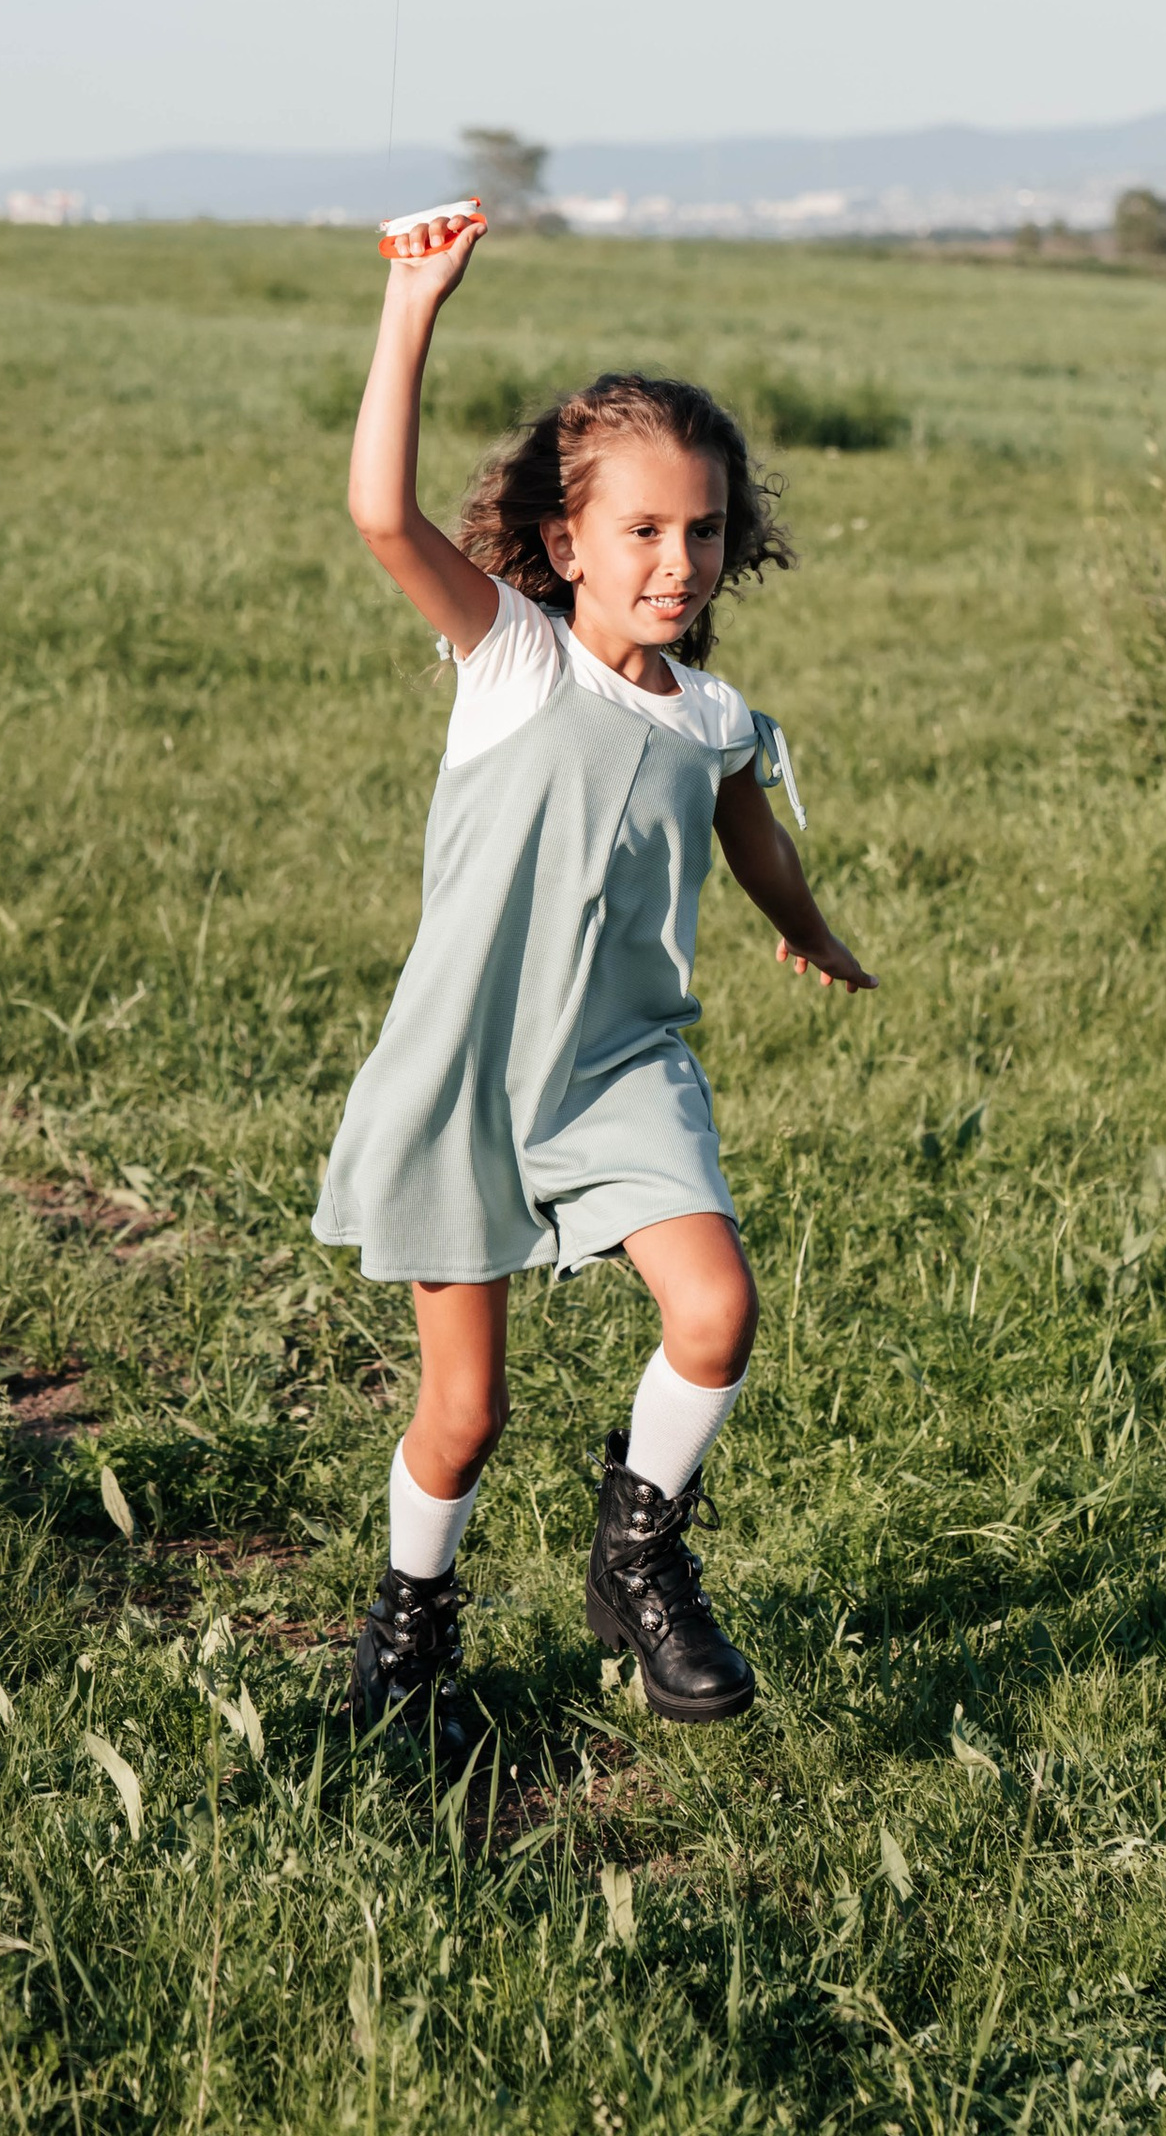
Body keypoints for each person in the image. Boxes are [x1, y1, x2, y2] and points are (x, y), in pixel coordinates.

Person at [315, 206, 874, 1763]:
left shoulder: (716, 717)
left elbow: (747, 832)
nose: (676, 561)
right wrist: (412, 305)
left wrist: (808, 928)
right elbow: (378, 513)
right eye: (640, 531)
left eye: (700, 531)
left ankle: (639, 1555)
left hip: (622, 1067)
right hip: (470, 1073)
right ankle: (409, 1638)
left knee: (716, 1309)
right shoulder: (512, 660)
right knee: (464, 1413)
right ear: (568, 545)